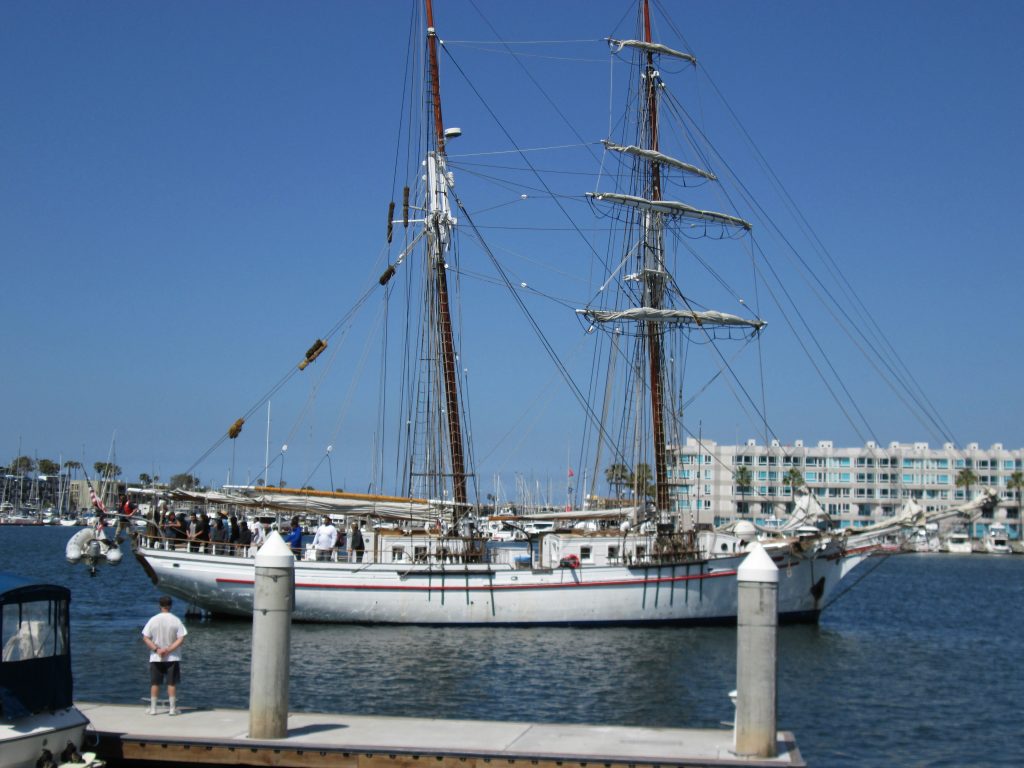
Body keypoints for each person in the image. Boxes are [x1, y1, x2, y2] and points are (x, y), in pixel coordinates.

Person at [141, 595, 187, 716]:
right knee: (171, 683)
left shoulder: (153, 620)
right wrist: (168, 649)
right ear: (170, 605)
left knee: (155, 683)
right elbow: (181, 639)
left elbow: (145, 638)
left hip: (156, 657)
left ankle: (153, 709)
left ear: (159, 605)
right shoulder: (176, 620)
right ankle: (172, 709)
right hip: (172, 657)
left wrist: (157, 650)